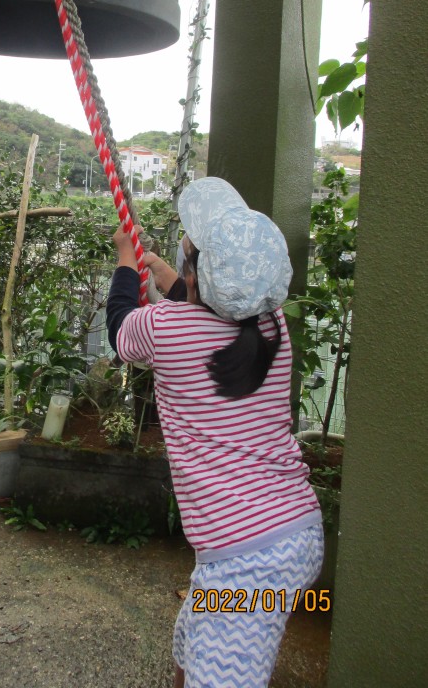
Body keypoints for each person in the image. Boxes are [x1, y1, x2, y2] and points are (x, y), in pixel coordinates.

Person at [106, 177, 324, 688]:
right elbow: (217, 315)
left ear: (196, 277)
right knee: (191, 643)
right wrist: (170, 274)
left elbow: (120, 328)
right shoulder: (271, 326)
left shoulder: (164, 329)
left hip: (247, 559)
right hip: (289, 530)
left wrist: (125, 259)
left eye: (187, 254)